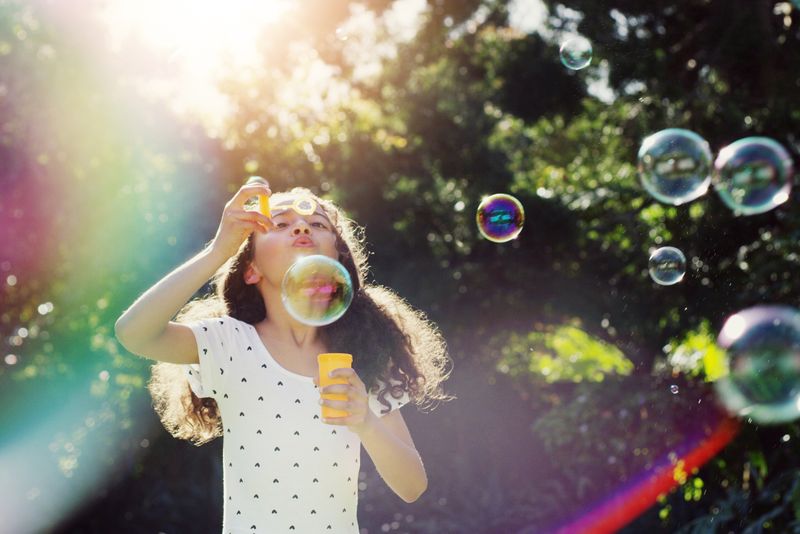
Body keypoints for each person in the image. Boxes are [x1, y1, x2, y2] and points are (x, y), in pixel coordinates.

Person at [114, 181, 452, 534]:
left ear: (338, 259)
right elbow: (134, 332)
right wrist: (218, 250)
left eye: (319, 224)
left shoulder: (359, 358)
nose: (302, 227)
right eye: (280, 223)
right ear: (251, 269)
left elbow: (413, 486)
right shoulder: (228, 342)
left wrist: (366, 421)